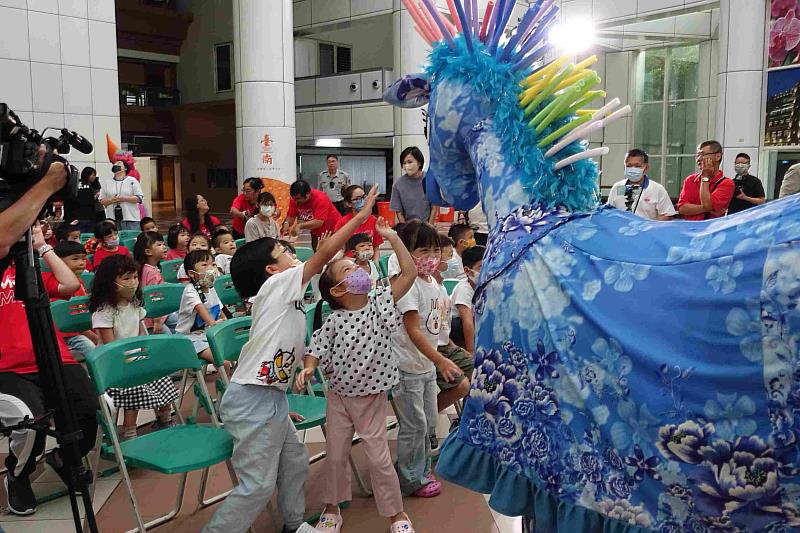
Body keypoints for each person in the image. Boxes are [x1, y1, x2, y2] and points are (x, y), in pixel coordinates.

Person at [201, 186, 381, 533]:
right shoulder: (276, 286)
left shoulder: (288, 295)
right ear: (272, 269)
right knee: (257, 486)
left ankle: (295, 524)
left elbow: (275, 358)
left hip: (268, 398)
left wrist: (279, 399)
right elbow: (325, 253)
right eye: (284, 252)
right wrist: (359, 217)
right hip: (251, 400)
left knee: (295, 462)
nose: (293, 254)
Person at [297, 217, 417, 533]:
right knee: (335, 456)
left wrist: (393, 238)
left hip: (372, 397)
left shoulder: (380, 301)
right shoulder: (333, 321)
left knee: (378, 458)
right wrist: (309, 368)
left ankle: (397, 515)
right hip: (338, 397)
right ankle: (332, 508)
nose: (359, 270)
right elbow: (315, 349)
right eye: (349, 270)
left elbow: (410, 272)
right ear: (338, 289)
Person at [0, 223, 98, 516]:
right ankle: (18, 476)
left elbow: (70, 285)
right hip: (8, 369)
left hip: (55, 359)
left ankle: (63, 460)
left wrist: (42, 246)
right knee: (30, 424)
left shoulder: (28, 274)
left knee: (87, 412)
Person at [391, 220, 462, 498]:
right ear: (405, 253)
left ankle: (416, 468)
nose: (431, 258)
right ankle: (411, 479)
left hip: (425, 366)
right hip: (407, 367)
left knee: (429, 422)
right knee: (415, 425)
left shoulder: (432, 282)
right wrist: (440, 360)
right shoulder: (407, 285)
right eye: (422, 251)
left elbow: (438, 325)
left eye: (435, 251)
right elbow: (413, 329)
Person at [90, 255, 177, 440]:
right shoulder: (104, 311)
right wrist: (133, 361)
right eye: (126, 278)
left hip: (135, 356)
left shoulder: (135, 305)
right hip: (113, 363)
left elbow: (142, 335)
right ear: (110, 282)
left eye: (135, 277)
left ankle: (164, 419)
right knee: (133, 387)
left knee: (161, 377)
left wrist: (147, 356)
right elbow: (110, 346)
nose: (133, 282)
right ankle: (130, 433)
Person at [431, 235, 473, 442]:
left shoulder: (440, 287)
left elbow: (442, 329)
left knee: (481, 374)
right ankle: (427, 422)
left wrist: (456, 347)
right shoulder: (425, 288)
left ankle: (465, 421)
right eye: (447, 255)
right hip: (430, 352)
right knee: (462, 385)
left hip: (446, 346)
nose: (451, 260)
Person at [43, 240, 98, 360]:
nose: (81, 263)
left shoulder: (80, 281)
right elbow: (72, 320)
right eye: (75, 259)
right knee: (92, 349)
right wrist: (94, 337)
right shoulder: (58, 286)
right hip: (69, 333)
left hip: (81, 328)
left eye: (83, 259)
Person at [174, 250, 227, 369]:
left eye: (213, 264)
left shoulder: (211, 289)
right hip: (189, 339)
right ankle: (224, 384)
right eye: (204, 265)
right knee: (223, 361)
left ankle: (213, 383)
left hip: (208, 335)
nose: (211, 269)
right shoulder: (190, 291)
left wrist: (226, 323)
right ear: (192, 273)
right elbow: (200, 308)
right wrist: (213, 323)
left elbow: (220, 310)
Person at [606, 149, 677, 220]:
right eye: (629, 165)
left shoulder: (657, 189)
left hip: (647, 229)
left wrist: (648, 225)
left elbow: (667, 215)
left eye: (637, 166)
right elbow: (609, 212)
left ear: (646, 168)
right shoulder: (617, 187)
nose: (633, 169)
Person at [677, 140, 735, 221]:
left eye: (703, 154)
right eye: (697, 155)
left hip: (711, 229)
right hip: (690, 228)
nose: (699, 159)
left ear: (717, 156)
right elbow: (682, 209)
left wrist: (705, 178)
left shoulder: (727, 183)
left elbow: (707, 204)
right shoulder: (690, 180)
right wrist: (706, 208)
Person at [282, 180, 342, 250]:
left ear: (307, 194)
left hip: (332, 230)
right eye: (294, 198)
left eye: (298, 199)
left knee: (331, 254)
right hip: (316, 232)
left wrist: (300, 226)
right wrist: (286, 224)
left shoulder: (320, 198)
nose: (296, 202)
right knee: (317, 253)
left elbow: (319, 222)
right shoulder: (294, 200)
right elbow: (291, 216)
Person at [449, 245, 484, 355]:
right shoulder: (464, 289)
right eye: (480, 267)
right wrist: (471, 351)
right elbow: (467, 321)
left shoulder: (485, 287)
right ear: (467, 271)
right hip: (457, 325)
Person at [134, 232, 171, 334]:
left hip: (160, 315)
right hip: (154, 319)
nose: (164, 247)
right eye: (159, 245)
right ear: (148, 251)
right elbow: (154, 298)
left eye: (163, 244)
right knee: (168, 339)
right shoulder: (151, 272)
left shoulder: (147, 268)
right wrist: (157, 321)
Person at [390, 147, 438, 225]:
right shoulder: (398, 185)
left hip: (427, 227)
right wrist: (406, 230)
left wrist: (430, 228)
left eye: (409, 162)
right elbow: (399, 212)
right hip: (408, 228)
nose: (406, 166)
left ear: (419, 163)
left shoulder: (430, 180)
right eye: (404, 163)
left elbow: (434, 207)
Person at [334, 185, 384, 260]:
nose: (361, 201)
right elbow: (339, 250)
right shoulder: (343, 223)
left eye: (363, 197)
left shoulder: (373, 220)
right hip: (350, 262)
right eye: (357, 199)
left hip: (369, 262)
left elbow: (376, 249)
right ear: (348, 203)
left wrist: (376, 266)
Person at [100, 162, 144, 231]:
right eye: (115, 165)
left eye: (119, 165)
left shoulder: (132, 180)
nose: (116, 166)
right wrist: (112, 200)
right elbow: (102, 200)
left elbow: (139, 198)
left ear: (125, 168)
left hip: (131, 218)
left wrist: (123, 198)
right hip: (112, 219)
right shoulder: (107, 182)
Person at [64, 166, 103, 233]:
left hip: (77, 216)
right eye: (93, 175)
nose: (94, 177)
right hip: (88, 216)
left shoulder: (75, 184)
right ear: (87, 174)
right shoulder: (91, 186)